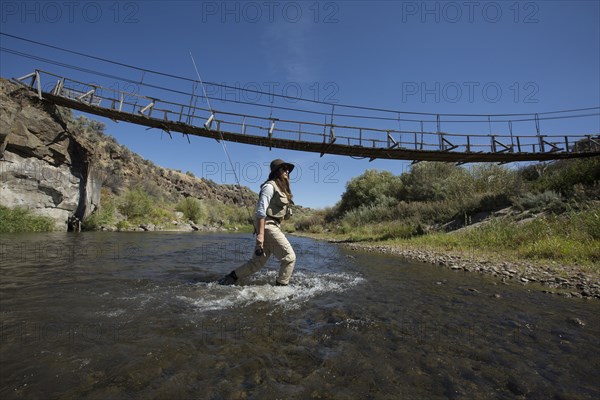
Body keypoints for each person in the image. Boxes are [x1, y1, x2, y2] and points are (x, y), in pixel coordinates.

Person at [218, 159, 296, 286]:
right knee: (289, 258)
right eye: (284, 169)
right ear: (276, 172)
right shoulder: (269, 186)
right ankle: (281, 288)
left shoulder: (283, 191)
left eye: (288, 169)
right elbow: (261, 211)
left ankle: (231, 278)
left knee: (256, 263)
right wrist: (260, 235)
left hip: (273, 227)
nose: (287, 171)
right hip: (268, 227)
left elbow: (284, 216)